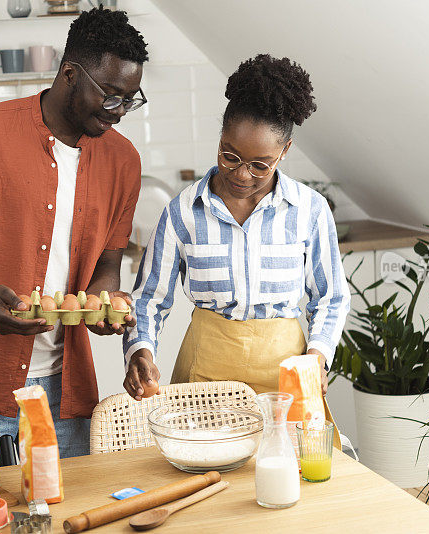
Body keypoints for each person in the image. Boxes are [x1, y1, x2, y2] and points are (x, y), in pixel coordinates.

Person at [0, 8, 147, 457]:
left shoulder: (124, 162)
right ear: (69, 75)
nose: (119, 113)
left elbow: (108, 264)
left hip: (66, 397)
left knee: (65, 521)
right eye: (111, 96)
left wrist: (102, 304)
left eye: (130, 100)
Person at [122, 54, 350, 400]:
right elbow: (148, 301)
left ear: (284, 151)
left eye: (260, 165)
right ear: (220, 138)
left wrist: (318, 356)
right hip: (205, 371)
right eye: (229, 156)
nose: (242, 175)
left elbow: (331, 297)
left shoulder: (309, 210)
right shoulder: (182, 212)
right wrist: (141, 352)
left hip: (286, 374)